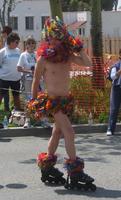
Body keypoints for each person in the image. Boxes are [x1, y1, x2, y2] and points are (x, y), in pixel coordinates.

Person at [27, 17, 96, 189]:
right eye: (53, 37)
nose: (56, 41)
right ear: (48, 38)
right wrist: (33, 104)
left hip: (65, 102)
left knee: (57, 133)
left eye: (60, 37)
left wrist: (79, 49)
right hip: (53, 102)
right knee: (69, 133)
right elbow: (35, 82)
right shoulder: (43, 59)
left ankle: (47, 166)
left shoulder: (68, 56)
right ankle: (75, 172)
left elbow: (88, 64)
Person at [0, 32, 21, 111]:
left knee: (16, 97)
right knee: (1, 96)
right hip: (4, 79)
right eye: (16, 42)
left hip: (16, 79)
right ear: (11, 41)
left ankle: (18, 116)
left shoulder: (18, 51)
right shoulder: (2, 52)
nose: (17, 44)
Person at [106, 49, 121, 136]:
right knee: (114, 109)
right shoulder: (116, 65)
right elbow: (112, 77)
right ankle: (110, 129)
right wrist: (119, 72)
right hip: (116, 88)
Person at [1, 26, 12, 111]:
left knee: (4, 90)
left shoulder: (9, 42)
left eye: (3, 33)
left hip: (6, 70)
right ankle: (6, 107)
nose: (2, 34)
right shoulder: (5, 41)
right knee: (5, 90)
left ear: (6, 33)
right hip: (4, 68)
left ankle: (7, 108)